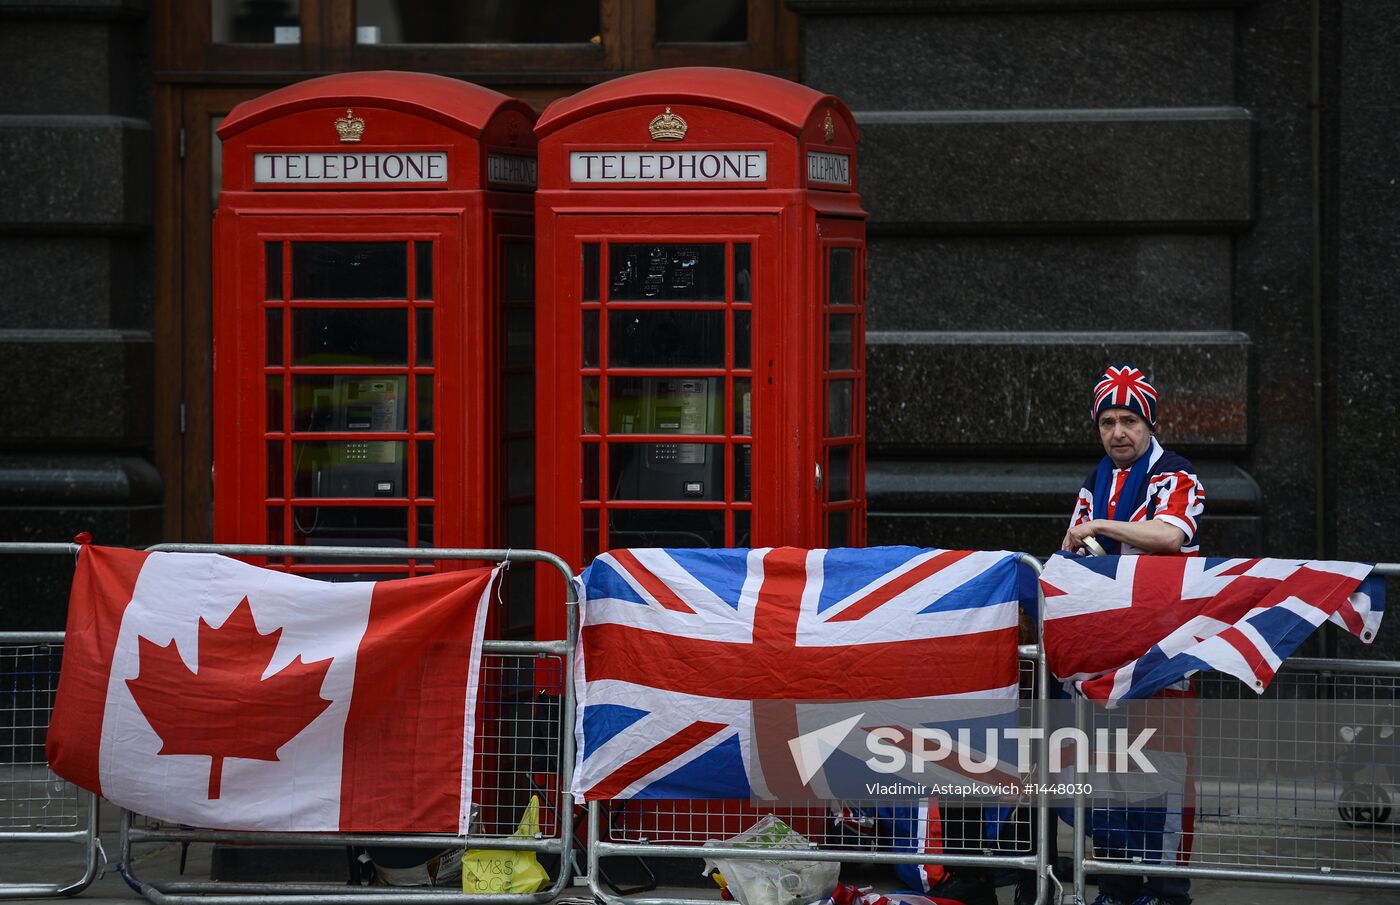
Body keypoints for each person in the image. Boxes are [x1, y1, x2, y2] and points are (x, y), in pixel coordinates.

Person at [1061, 364, 1203, 905]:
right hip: (1105, 653)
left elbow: (1170, 535)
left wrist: (1099, 527)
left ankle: (1167, 891)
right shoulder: (1094, 478)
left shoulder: (1176, 474)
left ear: (1149, 424)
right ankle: (1117, 884)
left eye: (1129, 421)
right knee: (1108, 774)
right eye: (1107, 423)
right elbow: (1068, 550)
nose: (1118, 432)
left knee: (1163, 770)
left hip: (1164, 650)